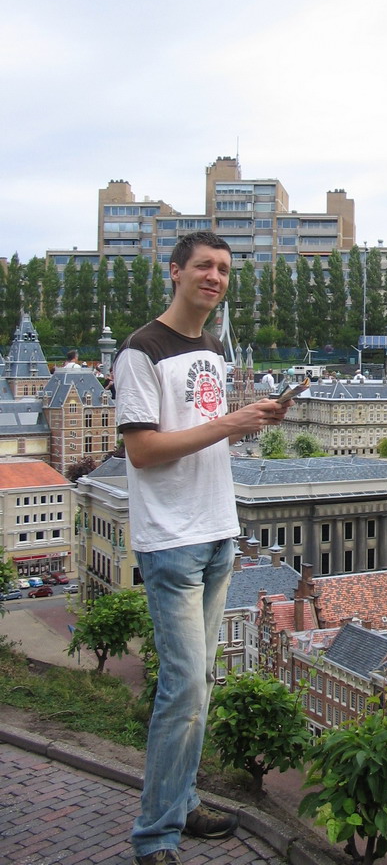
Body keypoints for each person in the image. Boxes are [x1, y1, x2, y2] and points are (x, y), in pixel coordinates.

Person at [114, 232, 292, 865]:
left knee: (201, 684)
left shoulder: (212, 350)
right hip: (172, 541)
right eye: (203, 267)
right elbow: (142, 450)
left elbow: (200, 434)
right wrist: (229, 423)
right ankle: (155, 836)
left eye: (223, 269)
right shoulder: (142, 351)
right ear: (175, 273)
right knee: (184, 689)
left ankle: (181, 801)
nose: (214, 277)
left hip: (218, 531)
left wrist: (248, 420)